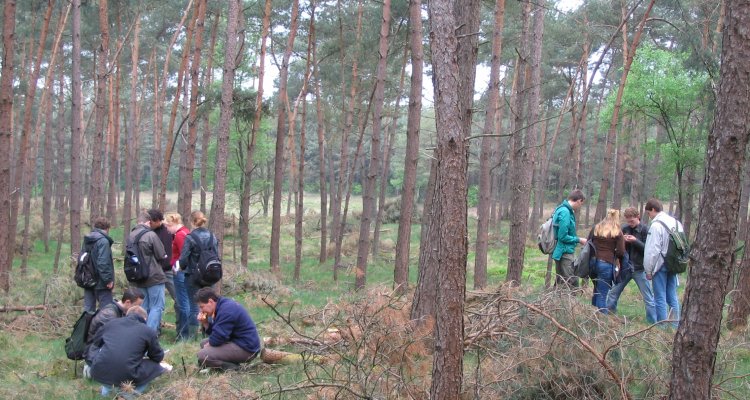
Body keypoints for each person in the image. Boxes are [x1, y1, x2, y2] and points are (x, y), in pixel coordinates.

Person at [88, 306, 170, 397]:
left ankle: (107, 393)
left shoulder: (110, 324)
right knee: (156, 366)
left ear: (127, 315)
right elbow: (157, 357)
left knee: (112, 365)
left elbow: (94, 345)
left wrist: (94, 360)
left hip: (98, 371)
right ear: (144, 318)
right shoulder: (147, 331)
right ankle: (129, 395)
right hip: (126, 373)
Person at [606, 207, 657, 323]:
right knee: (613, 292)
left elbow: (648, 250)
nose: (630, 223)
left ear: (638, 217)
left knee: (648, 297)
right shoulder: (624, 228)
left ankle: (653, 321)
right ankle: (609, 315)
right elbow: (616, 247)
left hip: (640, 268)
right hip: (625, 267)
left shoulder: (645, 230)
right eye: (628, 221)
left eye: (632, 221)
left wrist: (635, 241)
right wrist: (622, 241)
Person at [82, 288, 145, 379]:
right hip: (94, 353)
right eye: (137, 305)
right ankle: (92, 370)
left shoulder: (119, 310)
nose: (138, 309)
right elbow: (116, 340)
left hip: (101, 350)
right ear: (127, 302)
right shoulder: (109, 315)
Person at [195, 287, 261, 370]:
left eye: (202, 307)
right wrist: (205, 323)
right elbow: (218, 331)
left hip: (247, 348)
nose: (201, 311)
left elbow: (218, 338)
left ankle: (233, 368)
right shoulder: (221, 306)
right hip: (237, 341)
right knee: (203, 343)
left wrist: (208, 346)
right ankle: (225, 363)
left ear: (211, 301)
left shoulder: (226, 310)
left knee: (202, 355)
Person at [643, 198, 683, 328]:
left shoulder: (656, 225)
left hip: (660, 265)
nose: (649, 216)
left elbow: (652, 250)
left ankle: (662, 327)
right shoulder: (676, 223)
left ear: (653, 210)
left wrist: (648, 270)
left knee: (659, 297)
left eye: (649, 213)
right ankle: (675, 325)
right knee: (672, 296)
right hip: (674, 263)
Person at [128, 211, 169, 332]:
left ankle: (139, 334)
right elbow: (161, 254)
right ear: (148, 222)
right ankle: (150, 335)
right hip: (154, 276)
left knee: (143, 306)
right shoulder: (150, 235)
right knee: (157, 306)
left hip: (138, 276)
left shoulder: (131, 235)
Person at [179, 211, 218, 338]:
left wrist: (181, 267)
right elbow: (216, 256)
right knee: (210, 306)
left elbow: (183, 260)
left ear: (191, 221)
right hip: (210, 276)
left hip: (193, 277)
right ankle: (209, 336)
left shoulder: (190, 237)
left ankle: (192, 338)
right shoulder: (213, 236)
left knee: (194, 307)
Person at [147, 209, 180, 336]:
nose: (150, 223)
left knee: (178, 299)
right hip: (154, 272)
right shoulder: (147, 232)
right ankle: (154, 330)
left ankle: (181, 329)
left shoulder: (168, 230)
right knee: (153, 303)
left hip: (169, 270)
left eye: (152, 221)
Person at [589, 209, 626, 314]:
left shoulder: (596, 228)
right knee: (602, 294)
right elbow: (621, 252)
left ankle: (593, 315)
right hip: (606, 264)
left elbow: (588, 243)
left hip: (593, 263)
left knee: (596, 290)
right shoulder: (617, 232)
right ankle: (602, 320)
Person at [551, 189, 587, 288]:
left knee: (561, 281)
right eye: (581, 203)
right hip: (564, 251)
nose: (580, 206)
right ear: (579, 200)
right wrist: (579, 240)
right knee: (571, 282)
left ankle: (555, 302)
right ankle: (570, 302)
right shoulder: (565, 212)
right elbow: (563, 236)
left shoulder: (562, 209)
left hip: (562, 250)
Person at [165, 212, 192, 340]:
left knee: (183, 304)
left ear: (173, 224)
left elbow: (184, 255)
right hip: (182, 272)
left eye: (167, 226)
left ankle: (184, 335)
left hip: (180, 272)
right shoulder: (184, 232)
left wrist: (177, 266)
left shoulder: (180, 236)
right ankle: (187, 333)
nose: (167, 230)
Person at [82, 217, 115, 312]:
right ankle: (104, 327)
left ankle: (86, 327)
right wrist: (108, 280)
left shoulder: (87, 239)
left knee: (88, 310)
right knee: (106, 311)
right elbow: (102, 262)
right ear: (107, 228)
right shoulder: (103, 241)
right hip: (101, 283)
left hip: (88, 279)